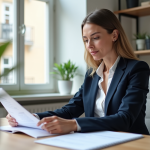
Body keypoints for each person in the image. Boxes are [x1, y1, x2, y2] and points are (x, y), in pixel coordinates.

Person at [6, 9, 149, 135]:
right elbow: (69, 111)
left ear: (114, 35)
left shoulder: (137, 69)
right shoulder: (92, 75)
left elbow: (125, 118)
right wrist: (33, 117)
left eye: (95, 38)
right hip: (98, 140)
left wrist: (75, 124)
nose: (89, 46)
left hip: (131, 142)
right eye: (85, 40)